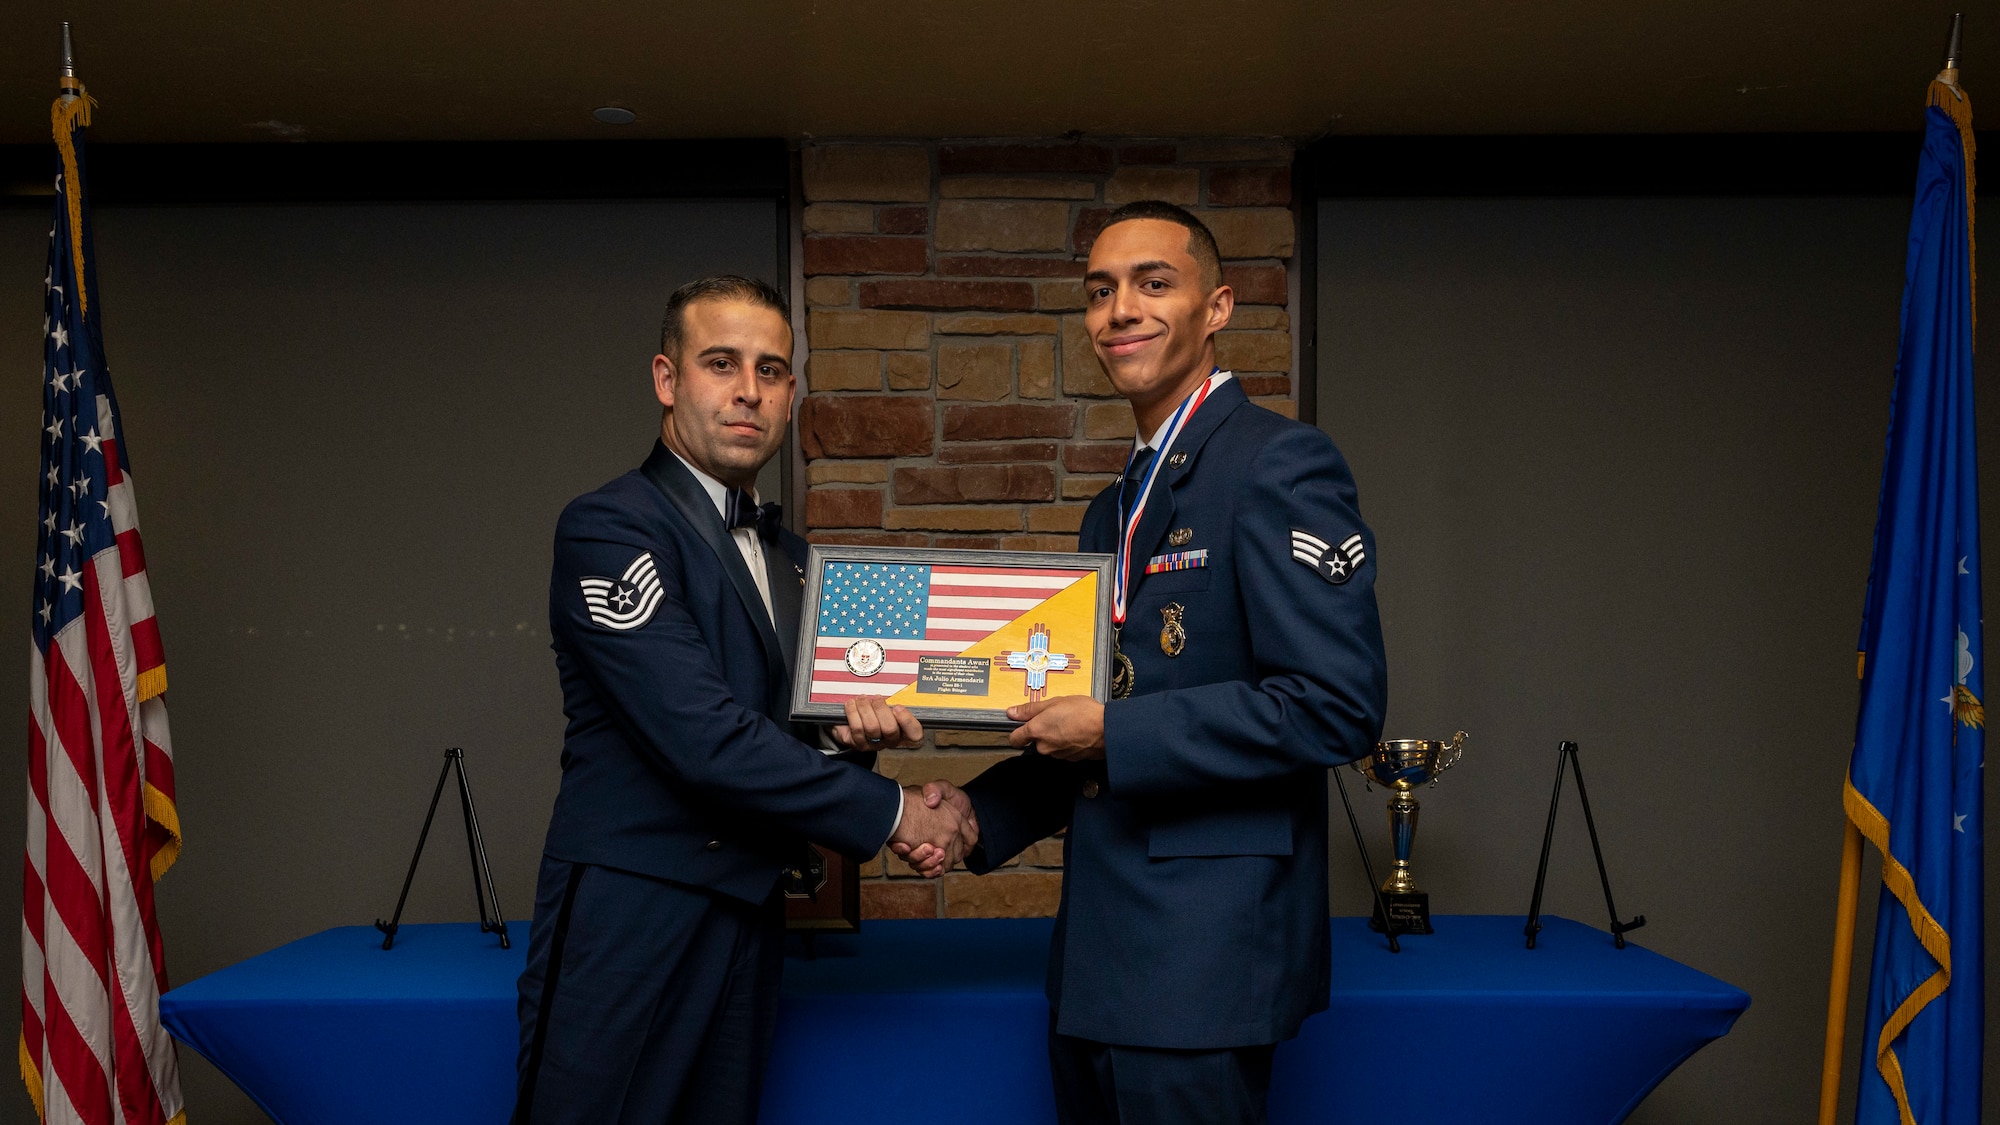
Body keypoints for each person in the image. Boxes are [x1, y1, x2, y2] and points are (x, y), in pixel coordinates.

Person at [902, 203, 1387, 1124]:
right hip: (1097, 962)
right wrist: (977, 812)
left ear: (1217, 307)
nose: (1120, 308)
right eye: (1100, 291)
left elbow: (1337, 706)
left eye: (1153, 283)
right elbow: (1098, 731)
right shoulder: (1112, 506)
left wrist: (1113, 731)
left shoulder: (1279, 463)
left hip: (1204, 966)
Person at [513, 276, 968, 1125]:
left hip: (750, 914)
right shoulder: (610, 526)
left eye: (771, 370)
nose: (748, 390)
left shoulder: (797, 561)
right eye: (721, 363)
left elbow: (785, 734)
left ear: (792, 394)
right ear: (666, 378)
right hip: (635, 914)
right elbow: (704, 740)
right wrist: (897, 811)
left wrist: (848, 738)